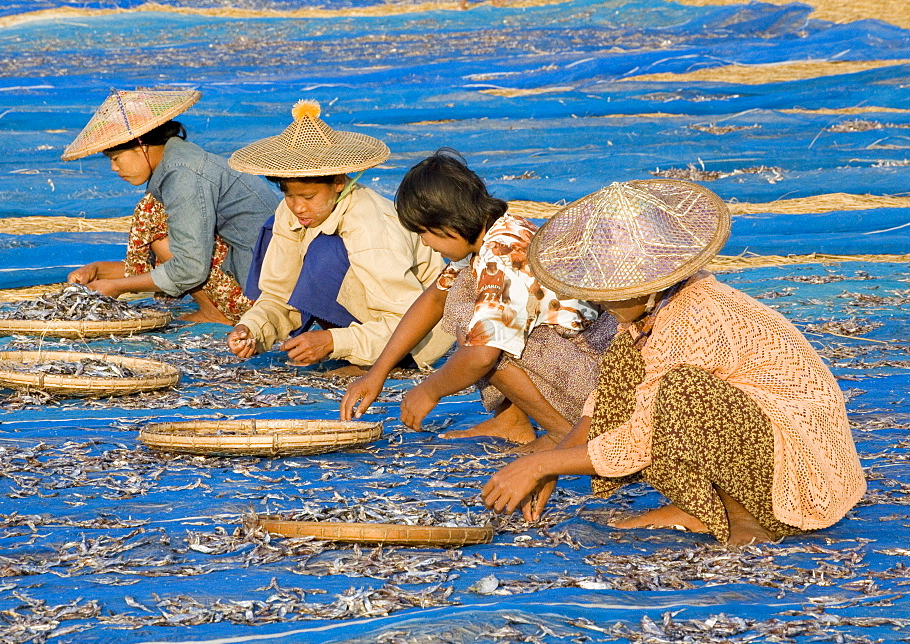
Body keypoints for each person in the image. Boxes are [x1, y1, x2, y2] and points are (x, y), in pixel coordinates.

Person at [481, 179, 866, 545]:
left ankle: (743, 518)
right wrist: (553, 459)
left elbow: (640, 439)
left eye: (612, 292)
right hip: (758, 448)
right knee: (623, 366)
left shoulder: (692, 315)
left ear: (651, 285)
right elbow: (602, 403)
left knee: (685, 389)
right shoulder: (648, 316)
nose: (602, 302)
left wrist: (541, 466)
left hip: (798, 465)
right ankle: (701, 508)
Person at [341, 150, 612, 447]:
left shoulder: (501, 256)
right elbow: (433, 300)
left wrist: (429, 390)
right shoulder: (490, 233)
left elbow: (482, 357)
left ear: (449, 221)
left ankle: (564, 434)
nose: (424, 243)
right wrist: (378, 372)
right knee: (466, 298)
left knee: (485, 340)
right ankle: (511, 421)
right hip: (575, 365)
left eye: (425, 232)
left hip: (595, 380)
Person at [225, 100, 453, 370]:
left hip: (415, 341)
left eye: (309, 197)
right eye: (289, 194)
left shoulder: (369, 229)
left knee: (325, 251)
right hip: (368, 327)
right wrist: (252, 328)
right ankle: (353, 352)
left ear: (338, 183)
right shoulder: (291, 212)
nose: (298, 207)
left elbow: (409, 319)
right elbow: (279, 294)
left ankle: (380, 362)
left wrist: (335, 341)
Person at [62, 88, 278, 324]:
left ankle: (216, 313)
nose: (114, 168)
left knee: (153, 217)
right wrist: (98, 270)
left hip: (264, 297)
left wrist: (117, 287)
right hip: (260, 274)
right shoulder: (179, 162)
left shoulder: (183, 175)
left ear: (141, 146)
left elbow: (189, 267)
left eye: (115, 158)